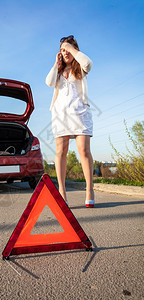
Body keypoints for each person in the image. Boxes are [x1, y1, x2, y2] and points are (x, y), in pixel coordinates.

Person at [45, 35, 94, 208]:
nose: (65, 52)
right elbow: (49, 82)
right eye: (62, 50)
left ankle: (89, 190)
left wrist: (71, 48)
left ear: (74, 49)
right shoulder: (58, 71)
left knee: (84, 151)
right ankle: (62, 192)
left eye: (68, 49)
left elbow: (88, 62)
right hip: (61, 116)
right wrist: (56, 63)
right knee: (61, 152)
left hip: (80, 114)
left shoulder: (81, 66)